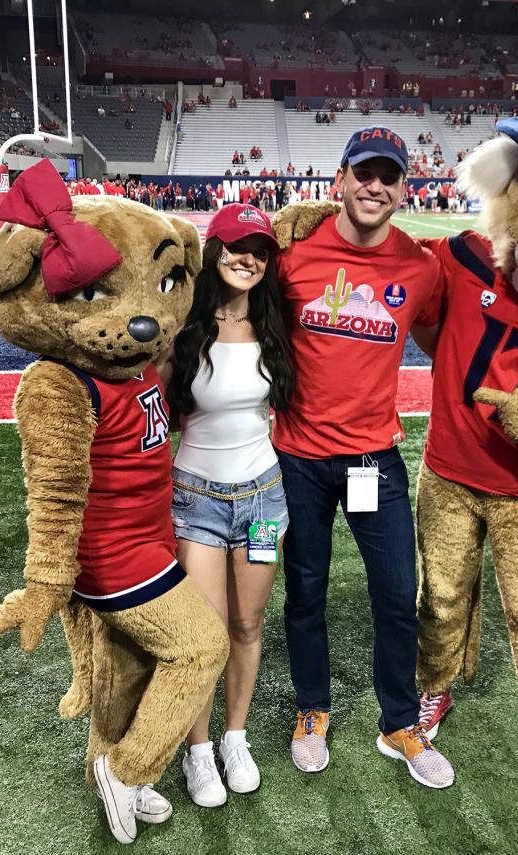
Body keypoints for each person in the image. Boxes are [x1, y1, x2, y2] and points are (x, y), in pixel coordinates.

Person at [273, 127, 454, 789]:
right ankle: (312, 709)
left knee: (397, 596)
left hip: (373, 460)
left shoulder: (419, 267)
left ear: (404, 188)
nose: (375, 185)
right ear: (340, 181)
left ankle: (399, 722)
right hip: (297, 459)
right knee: (307, 594)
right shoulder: (294, 257)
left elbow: (440, 333)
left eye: (389, 176)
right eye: (364, 173)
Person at [164, 203, 294, 808]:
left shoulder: (274, 326)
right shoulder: (183, 326)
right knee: (206, 634)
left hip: (265, 501)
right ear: (214, 251)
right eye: (237, 247)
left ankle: (233, 738)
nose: (249, 259)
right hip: (197, 502)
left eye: (260, 251)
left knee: (247, 625)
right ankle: (197, 752)